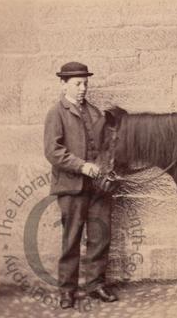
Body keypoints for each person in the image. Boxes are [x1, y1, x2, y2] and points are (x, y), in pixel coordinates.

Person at [44, 62, 118, 309]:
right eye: (77, 84)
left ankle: (96, 286)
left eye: (85, 83)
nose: (82, 88)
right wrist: (82, 165)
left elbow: (106, 146)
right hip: (71, 186)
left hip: (98, 187)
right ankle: (67, 291)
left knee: (100, 237)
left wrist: (106, 167)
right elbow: (53, 152)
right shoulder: (57, 113)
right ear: (63, 84)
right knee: (71, 239)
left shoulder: (95, 112)